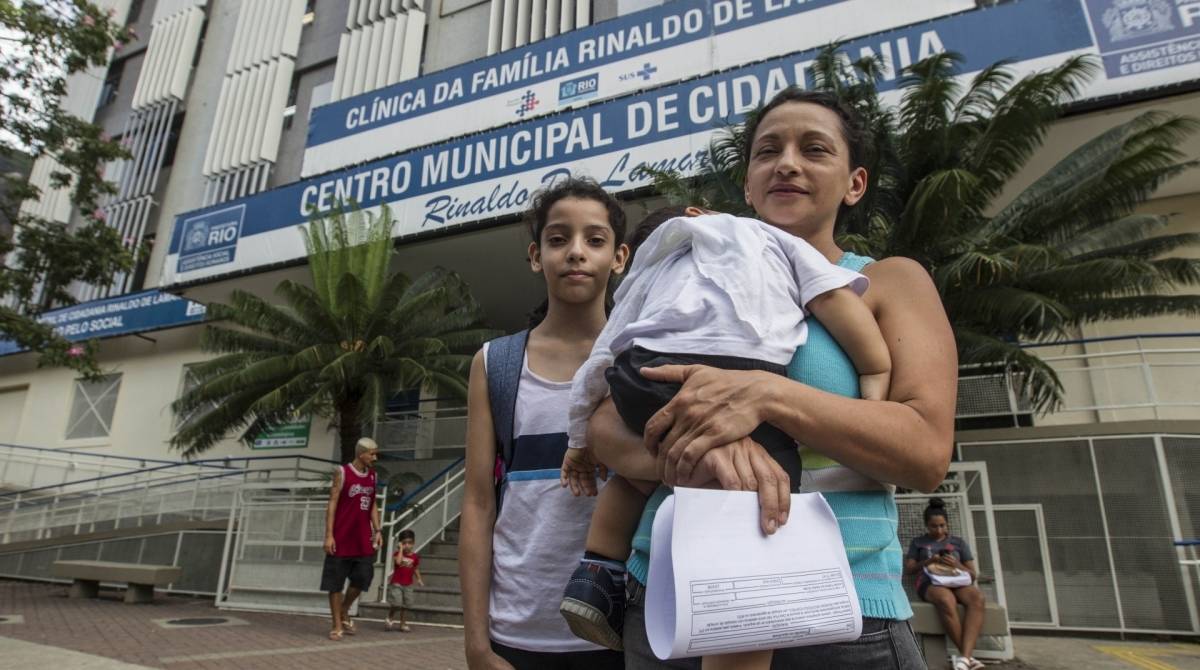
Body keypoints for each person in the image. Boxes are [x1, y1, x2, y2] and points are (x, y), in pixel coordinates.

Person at [587, 88, 958, 669]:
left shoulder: (885, 282)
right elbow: (607, 425)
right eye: (767, 151)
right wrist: (706, 458)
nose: (787, 163)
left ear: (854, 183)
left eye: (814, 149)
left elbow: (924, 451)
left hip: (842, 616)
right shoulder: (688, 273)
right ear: (747, 183)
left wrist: (767, 395)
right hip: (678, 599)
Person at [559, 205, 892, 670]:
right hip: (742, 371)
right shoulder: (767, 237)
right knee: (755, 499)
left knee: (636, 479)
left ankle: (597, 571)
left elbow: (603, 356)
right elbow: (833, 301)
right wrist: (875, 366)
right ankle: (737, 652)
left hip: (650, 375)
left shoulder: (649, 269)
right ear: (701, 214)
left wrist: (577, 441)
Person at [459, 177, 629, 670]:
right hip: (517, 633)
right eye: (559, 239)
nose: (576, 252)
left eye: (595, 240)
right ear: (537, 256)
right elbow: (476, 503)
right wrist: (476, 643)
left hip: (621, 632)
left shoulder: (639, 358)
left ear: (619, 258)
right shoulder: (495, 363)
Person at [905, 499, 986, 670]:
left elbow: (972, 575)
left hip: (956, 579)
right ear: (927, 525)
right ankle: (968, 658)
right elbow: (910, 569)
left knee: (977, 598)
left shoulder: (958, 543)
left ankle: (964, 658)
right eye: (934, 526)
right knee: (945, 599)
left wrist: (956, 564)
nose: (939, 530)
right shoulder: (918, 542)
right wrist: (929, 561)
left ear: (947, 524)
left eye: (942, 525)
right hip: (930, 582)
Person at [322, 437, 382, 641]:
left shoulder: (373, 476)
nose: (375, 457)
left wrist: (378, 529)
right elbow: (332, 503)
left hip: (362, 539)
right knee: (335, 583)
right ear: (361, 453)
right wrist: (329, 535)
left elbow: (373, 504)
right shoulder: (342, 473)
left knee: (363, 578)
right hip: (341, 536)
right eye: (372, 453)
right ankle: (336, 623)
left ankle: (344, 610)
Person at [386, 528, 424, 632]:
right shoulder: (397, 554)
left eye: (410, 543)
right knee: (397, 603)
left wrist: (419, 579)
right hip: (396, 583)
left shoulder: (415, 557)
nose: (407, 545)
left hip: (408, 584)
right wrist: (401, 550)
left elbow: (415, 568)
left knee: (406, 604)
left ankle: (403, 623)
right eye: (404, 543)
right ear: (401, 544)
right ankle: (390, 617)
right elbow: (398, 562)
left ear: (413, 543)